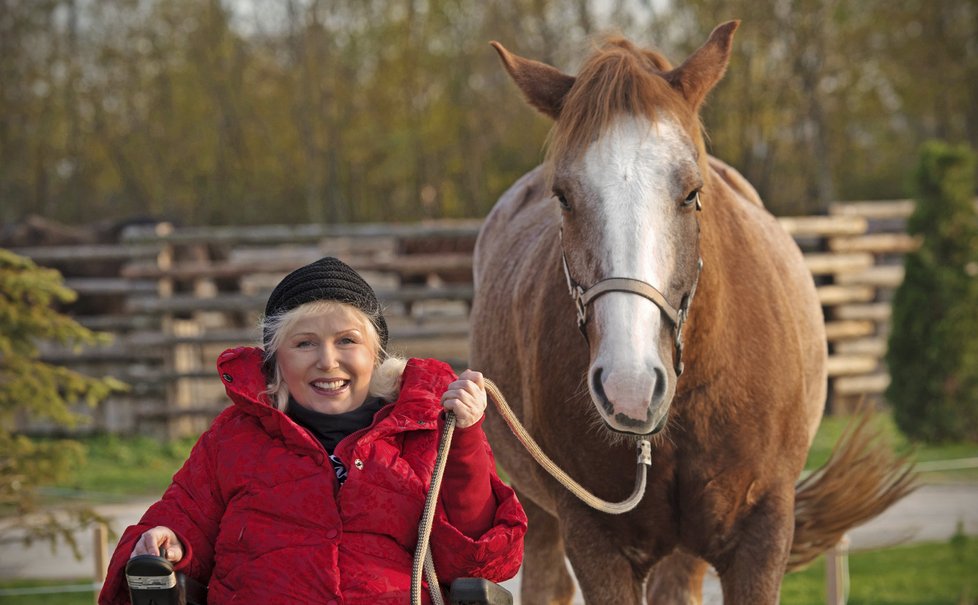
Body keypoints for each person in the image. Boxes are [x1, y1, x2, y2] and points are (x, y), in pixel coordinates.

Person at [98, 257, 527, 604]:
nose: (327, 360)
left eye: (347, 341)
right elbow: (182, 517)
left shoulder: (425, 434)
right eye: (304, 343)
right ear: (276, 360)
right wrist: (166, 540)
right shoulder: (234, 438)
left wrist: (467, 438)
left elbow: (482, 562)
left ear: (375, 353)